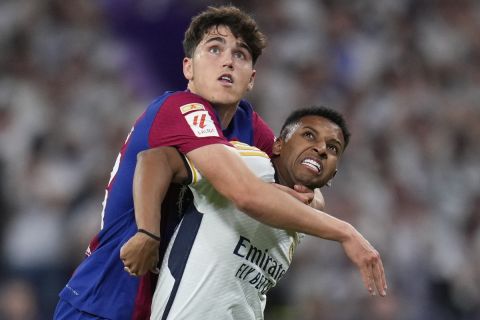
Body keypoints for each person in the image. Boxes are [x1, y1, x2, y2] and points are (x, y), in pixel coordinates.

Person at [55, 5, 385, 320]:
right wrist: (345, 233)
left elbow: (299, 184)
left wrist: (307, 196)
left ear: (251, 77)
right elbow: (245, 194)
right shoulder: (181, 108)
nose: (227, 61)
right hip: (104, 299)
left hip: (157, 304)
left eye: (239, 54)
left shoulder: (247, 124)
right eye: (214, 49)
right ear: (188, 67)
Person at [123, 106, 385, 319]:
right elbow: (156, 159)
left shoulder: (302, 219)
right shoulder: (250, 163)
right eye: (308, 135)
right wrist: (147, 232)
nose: (321, 149)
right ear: (279, 145)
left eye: (333, 148)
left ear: (332, 176)